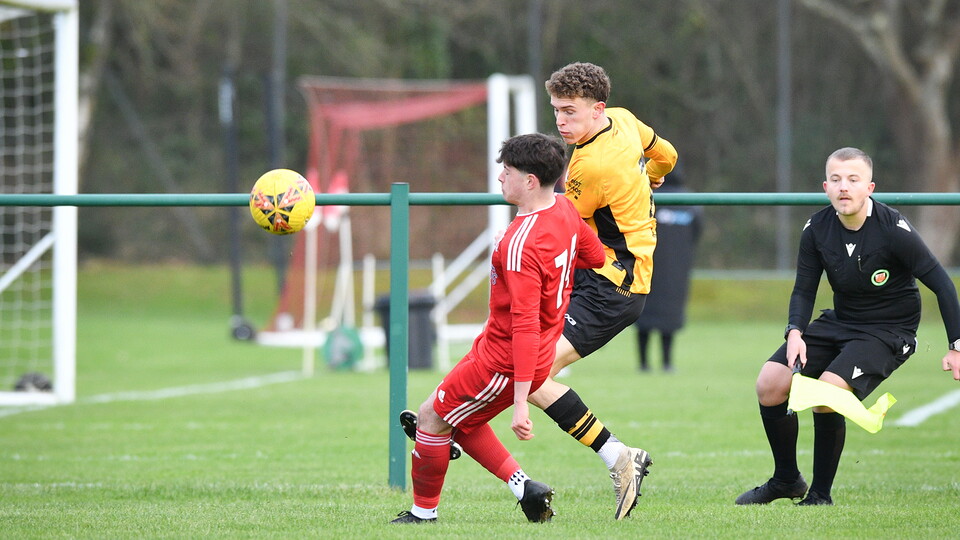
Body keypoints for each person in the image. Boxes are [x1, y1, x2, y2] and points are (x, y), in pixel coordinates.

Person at [391, 133, 605, 524]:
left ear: (530, 181)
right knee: (459, 419)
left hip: (504, 361)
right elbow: (593, 255)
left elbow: (525, 324)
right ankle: (525, 488)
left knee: (430, 418)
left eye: (507, 171)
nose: (500, 177)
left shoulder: (520, 244)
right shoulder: (564, 209)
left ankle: (423, 515)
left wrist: (522, 403)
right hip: (514, 348)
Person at [735, 147, 960, 507]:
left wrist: (956, 346)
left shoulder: (893, 229)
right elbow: (804, 288)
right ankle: (786, 480)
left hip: (889, 331)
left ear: (869, 187)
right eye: (836, 179)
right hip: (841, 321)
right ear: (826, 187)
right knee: (770, 383)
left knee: (827, 393)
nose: (844, 187)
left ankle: (820, 496)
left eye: (853, 180)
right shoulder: (816, 228)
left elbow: (943, 284)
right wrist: (795, 332)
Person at [525, 61, 678, 520]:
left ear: (598, 109)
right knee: (517, 364)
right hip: (599, 278)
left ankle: (619, 457)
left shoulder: (590, 166)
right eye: (556, 111)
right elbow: (666, 153)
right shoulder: (627, 120)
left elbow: (560, 228)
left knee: (527, 374)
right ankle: (447, 423)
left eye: (570, 112)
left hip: (612, 287)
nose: (561, 121)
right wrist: (654, 177)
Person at [634, 165, 702, 373]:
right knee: (669, 316)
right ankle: (667, 363)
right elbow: (697, 232)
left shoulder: (645, 198)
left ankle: (643, 364)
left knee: (642, 312)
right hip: (677, 269)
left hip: (645, 266)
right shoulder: (691, 204)